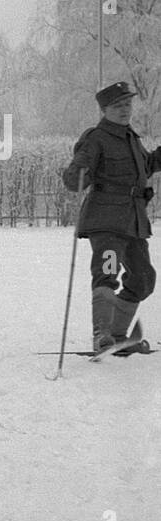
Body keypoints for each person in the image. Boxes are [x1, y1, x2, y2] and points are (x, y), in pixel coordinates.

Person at [62, 81, 161, 353]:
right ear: (104, 110)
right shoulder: (96, 138)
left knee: (143, 279)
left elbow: (147, 167)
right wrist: (76, 174)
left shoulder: (132, 138)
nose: (124, 110)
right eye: (117, 106)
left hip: (133, 221)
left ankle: (117, 336)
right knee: (107, 272)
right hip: (105, 220)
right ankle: (102, 334)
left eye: (127, 104)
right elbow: (75, 177)